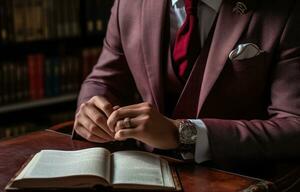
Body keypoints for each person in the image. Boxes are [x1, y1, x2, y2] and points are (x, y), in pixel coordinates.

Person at [73, 0, 300, 168]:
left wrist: (182, 134)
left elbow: (294, 125)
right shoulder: (129, 4)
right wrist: (92, 108)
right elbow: (102, 80)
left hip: (236, 177)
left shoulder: (286, 10)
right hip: (143, 169)